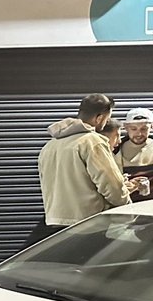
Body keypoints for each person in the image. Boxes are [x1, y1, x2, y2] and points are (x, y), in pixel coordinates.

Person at [33, 94, 134, 242]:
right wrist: (127, 208)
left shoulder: (50, 146)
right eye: (106, 119)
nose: (105, 123)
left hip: (55, 224)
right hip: (89, 225)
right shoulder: (92, 142)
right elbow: (110, 185)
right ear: (99, 118)